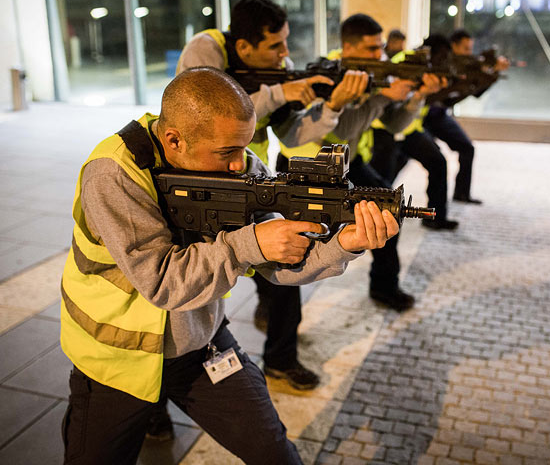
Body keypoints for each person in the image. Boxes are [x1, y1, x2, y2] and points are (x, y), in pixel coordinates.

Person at [60, 66, 398, 465]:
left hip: (199, 345)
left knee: (275, 454)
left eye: (244, 147)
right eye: (227, 153)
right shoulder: (114, 173)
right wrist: (248, 244)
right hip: (116, 361)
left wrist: (344, 244)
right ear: (174, 140)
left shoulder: (240, 163)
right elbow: (164, 282)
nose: (242, 164)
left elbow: (279, 264)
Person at [176, 0, 369, 391]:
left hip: (254, 185)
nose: (285, 55)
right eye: (275, 46)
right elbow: (203, 112)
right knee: (183, 292)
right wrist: (281, 93)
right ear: (244, 48)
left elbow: (293, 133)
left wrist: (332, 104)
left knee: (285, 271)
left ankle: (281, 361)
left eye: (286, 42)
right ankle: (155, 403)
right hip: (204, 185)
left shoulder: (275, 71)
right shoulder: (206, 49)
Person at [280, 13, 443, 311]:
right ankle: (274, 314)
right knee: (289, 248)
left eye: (380, 48)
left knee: (389, 212)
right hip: (305, 166)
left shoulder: (372, 74)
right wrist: (381, 96)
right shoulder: (324, 75)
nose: (379, 55)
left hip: (347, 162)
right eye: (371, 49)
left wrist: (417, 95)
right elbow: (342, 129)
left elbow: (394, 125)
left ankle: (384, 288)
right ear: (348, 47)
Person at [370, 34, 460, 231]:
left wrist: (432, 90)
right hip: (384, 130)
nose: (444, 62)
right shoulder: (403, 63)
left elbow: (422, 103)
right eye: (443, 57)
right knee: (380, 185)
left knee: (438, 163)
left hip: (409, 129)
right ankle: (372, 225)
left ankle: (436, 217)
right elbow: (392, 106)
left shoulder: (428, 70)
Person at [422, 28, 509, 205]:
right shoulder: (440, 61)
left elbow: (474, 91)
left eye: (471, 49)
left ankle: (461, 194)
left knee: (466, 149)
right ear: (453, 46)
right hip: (420, 116)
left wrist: (491, 73)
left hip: (437, 114)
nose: (469, 53)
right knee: (429, 161)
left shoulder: (465, 65)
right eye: (465, 49)